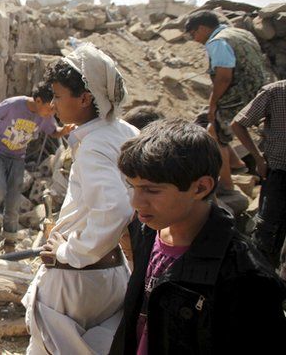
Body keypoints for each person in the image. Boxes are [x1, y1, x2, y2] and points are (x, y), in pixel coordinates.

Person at [110, 119, 286, 354]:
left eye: (152, 190)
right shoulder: (147, 231)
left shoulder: (245, 277)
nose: (135, 202)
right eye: (132, 186)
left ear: (201, 187)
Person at [24, 43, 137, 355]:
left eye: (59, 96)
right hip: (111, 274)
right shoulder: (122, 131)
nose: (54, 104)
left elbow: (115, 209)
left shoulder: (95, 146)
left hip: (77, 281)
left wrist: (67, 251)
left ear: (85, 98)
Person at [0, 82, 74, 242]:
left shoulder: (45, 115)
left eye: (54, 108)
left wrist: (64, 131)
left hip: (17, 156)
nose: (52, 111)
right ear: (38, 101)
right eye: (50, 107)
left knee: (14, 195)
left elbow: (54, 132)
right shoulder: (14, 105)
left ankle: (10, 235)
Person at [186, 10, 272, 216]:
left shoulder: (217, 42)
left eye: (192, 33)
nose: (193, 39)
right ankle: (236, 163)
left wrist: (214, 103)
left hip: (240, 95)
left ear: (203, 28)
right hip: (259, 90)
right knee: (203, 119)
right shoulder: (240, 33)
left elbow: (224, 77)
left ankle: (226, 186)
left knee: (213, 134)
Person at [231, 79, 286, 268]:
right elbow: (238, 123)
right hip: (278, 173)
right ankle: (264, 281)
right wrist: (258, 158)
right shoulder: (275, 91)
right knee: (267, 231)